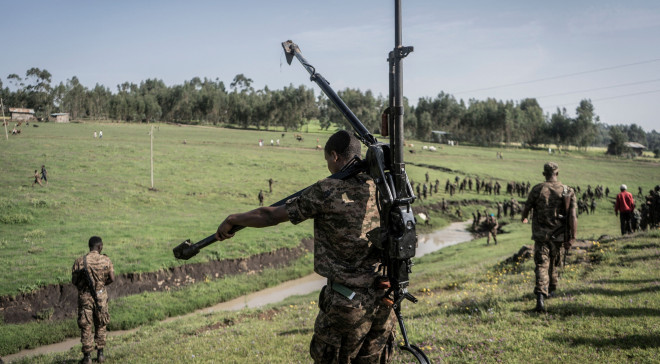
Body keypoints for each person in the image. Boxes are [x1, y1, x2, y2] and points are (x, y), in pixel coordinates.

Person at [216, 130, 396, 363]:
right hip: (385, 299)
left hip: (346, 304)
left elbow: (270, 216)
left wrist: (232, 219)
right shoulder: (382, 187)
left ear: (335, 156)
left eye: (328, 161)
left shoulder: (328, 190)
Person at [521, 162, 577, 312]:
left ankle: (540, 296)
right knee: (554, 262)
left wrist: (524, 217)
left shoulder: (538, 189)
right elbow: (572, 216)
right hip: (558, 236)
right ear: (557, 173)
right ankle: (551, 290)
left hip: (541, 236)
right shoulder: (568, 191)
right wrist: (572, 237)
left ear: (544, 174)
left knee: (541, 264)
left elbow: (526, 208)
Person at [71, 236, 115, 364]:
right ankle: (100, 355)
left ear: (89, 246)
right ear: (100, 246)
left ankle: (87, 358)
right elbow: (112, 278)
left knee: (86, 326)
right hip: (100, 296)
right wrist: (101, 285)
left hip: (85, 298)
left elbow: (74, 281)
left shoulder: (80, 261)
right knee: (101, 324)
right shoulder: (106, 260)